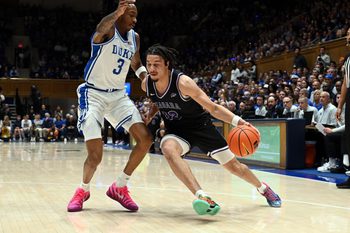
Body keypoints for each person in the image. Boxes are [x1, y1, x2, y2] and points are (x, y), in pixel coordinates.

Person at [141, 44, 281, 216]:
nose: (152, 68)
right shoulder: (146, 84)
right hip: (176, 131)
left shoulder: (183, 83)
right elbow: (157, 100)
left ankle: (263, 188)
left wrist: (239, 122)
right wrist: (150, 114)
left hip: (201, 127)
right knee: (168, 149)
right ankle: (202, 196)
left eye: (157, 64)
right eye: (148, 64)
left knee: (234, 167)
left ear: (167, 64)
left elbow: (213, 108)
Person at [67, 0, 152, 212]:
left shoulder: (135, 38)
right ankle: (83, 190)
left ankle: (120, 186)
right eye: (130, 15)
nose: (134, 20)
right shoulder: (106, 31)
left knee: (146, 139)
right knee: (96, 154)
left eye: (136, 16)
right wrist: (117, 12)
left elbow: (136, 63)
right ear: (121, 14)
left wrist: (145, 78)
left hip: (117, 96)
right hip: (93, 94)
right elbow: (99, 29)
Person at [335, 28, 350, 188]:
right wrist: (340, 105)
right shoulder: (348, 58)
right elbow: (346, 82)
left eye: (349, 33)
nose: (347, 36)